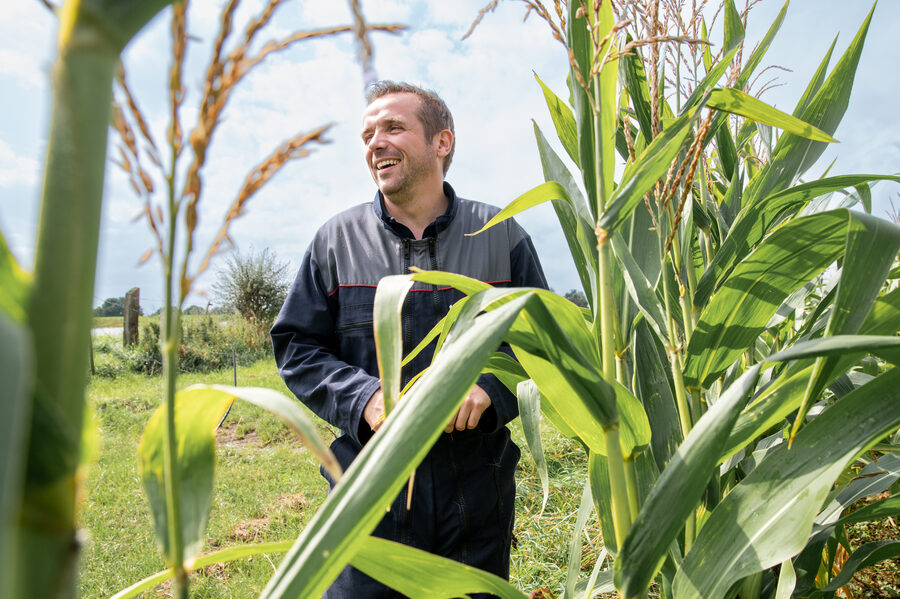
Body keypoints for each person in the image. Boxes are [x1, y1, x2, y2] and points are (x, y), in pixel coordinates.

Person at [271, 81, 547, 597]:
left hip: (476, 494)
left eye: (393, 127)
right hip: (368, 493)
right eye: (367, 133)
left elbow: (541, 346)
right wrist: (366, 399)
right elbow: (298, 347)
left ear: (441, 142)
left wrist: (490, 385)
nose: (375, 142)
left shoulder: (502, 233)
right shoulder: (335, 241)